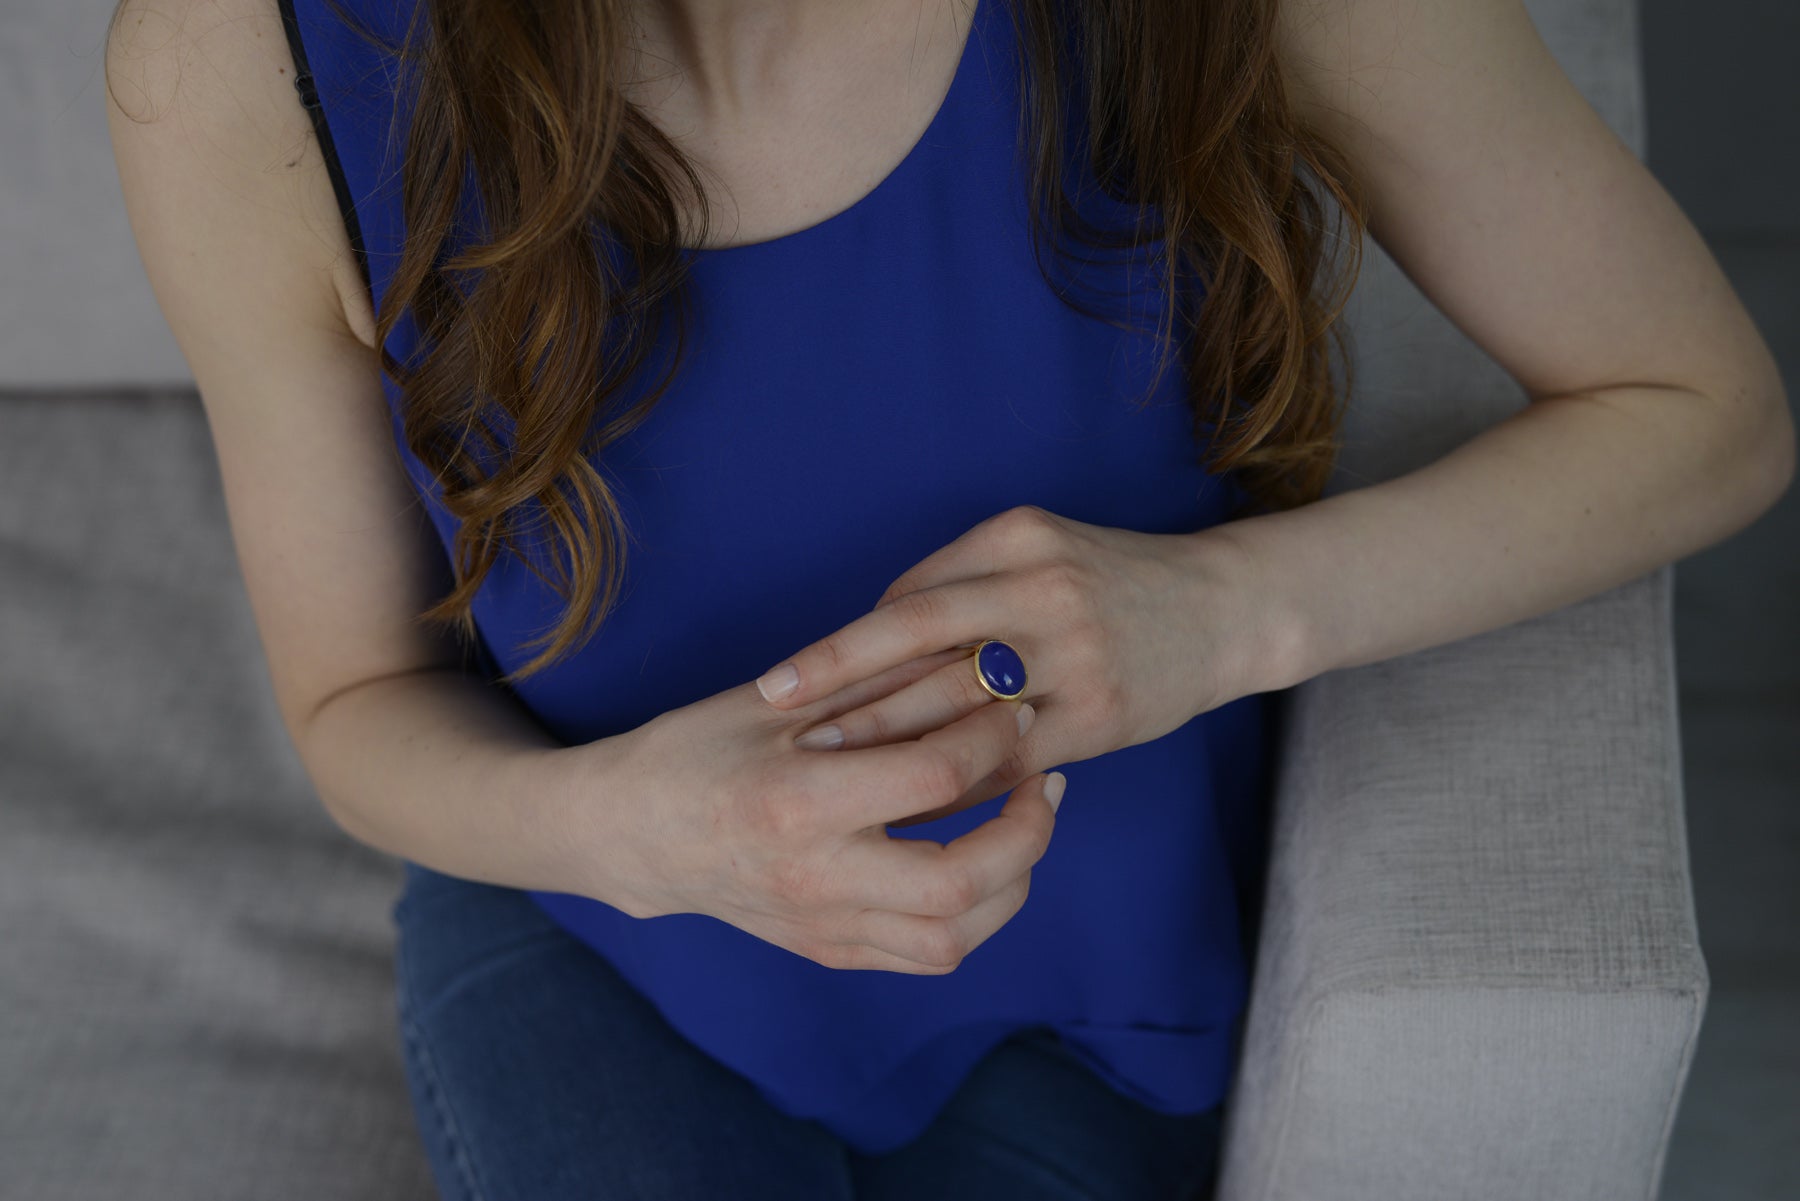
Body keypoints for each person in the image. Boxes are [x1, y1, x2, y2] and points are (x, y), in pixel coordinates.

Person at [104, 0, 1793, 1195]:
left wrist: (1233, 610)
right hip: (598, 945)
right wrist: (650, 837)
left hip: (1087, 996)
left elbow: (1703, 412)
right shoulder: (238, 61)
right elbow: (350, 711)